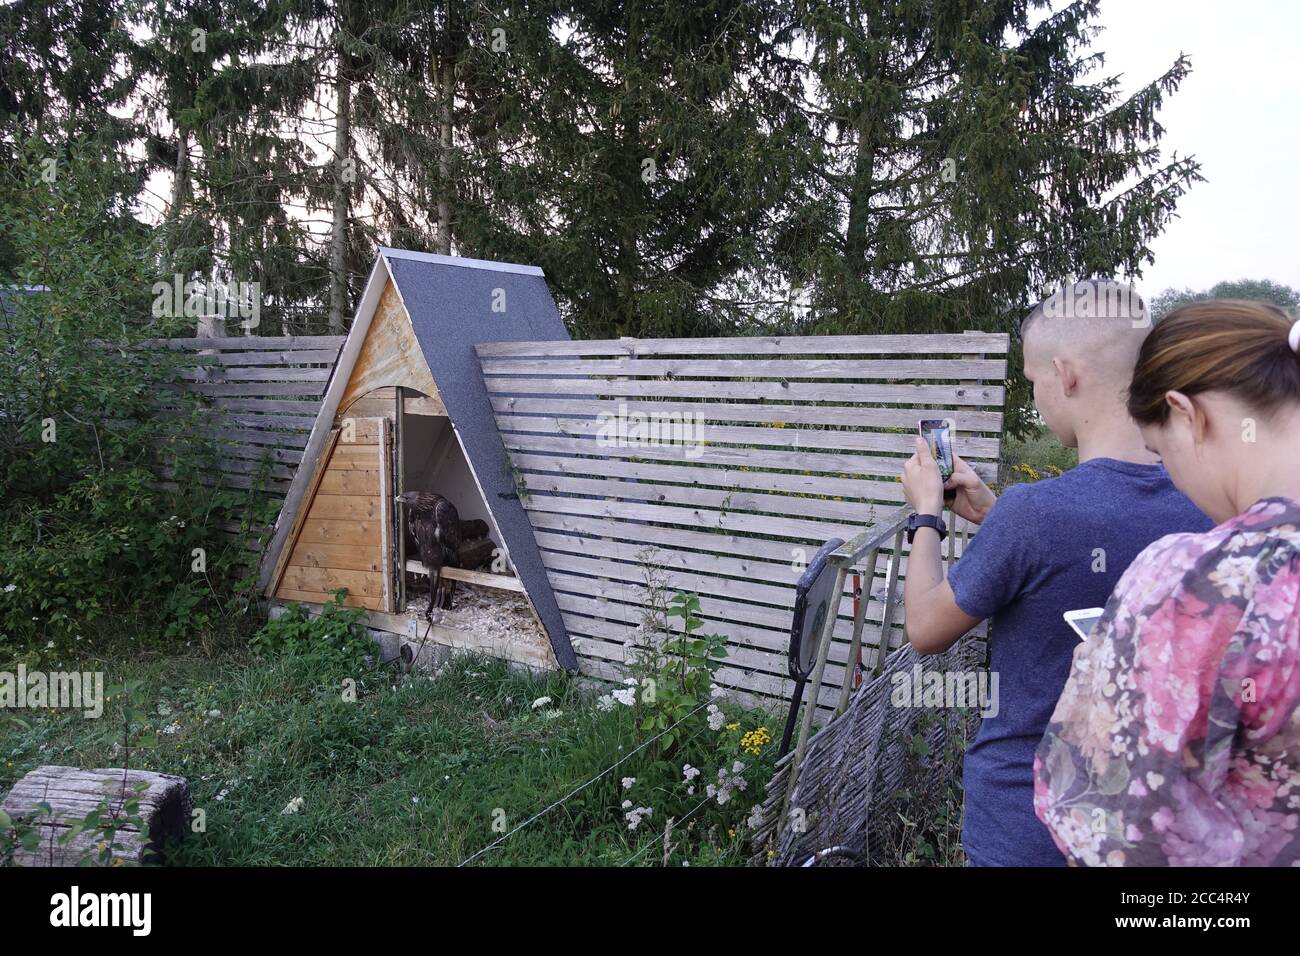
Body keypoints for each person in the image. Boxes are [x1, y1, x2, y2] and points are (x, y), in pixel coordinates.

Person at [899, 279, 1212, 867]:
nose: (1037, 396)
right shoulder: (1209, 502)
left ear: (1066, 375)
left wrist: (926, 514)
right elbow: (1095, 551)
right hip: (1158, 834)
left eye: (1033, 379)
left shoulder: (1036, 515)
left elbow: (924, 627)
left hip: (1029, 829)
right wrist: (996, 516)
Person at [1033, 300, 1300, 866]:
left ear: (1186, 415)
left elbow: (1111, 825)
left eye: (1161, 452)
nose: (1172, 477)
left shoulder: (1199, 583)